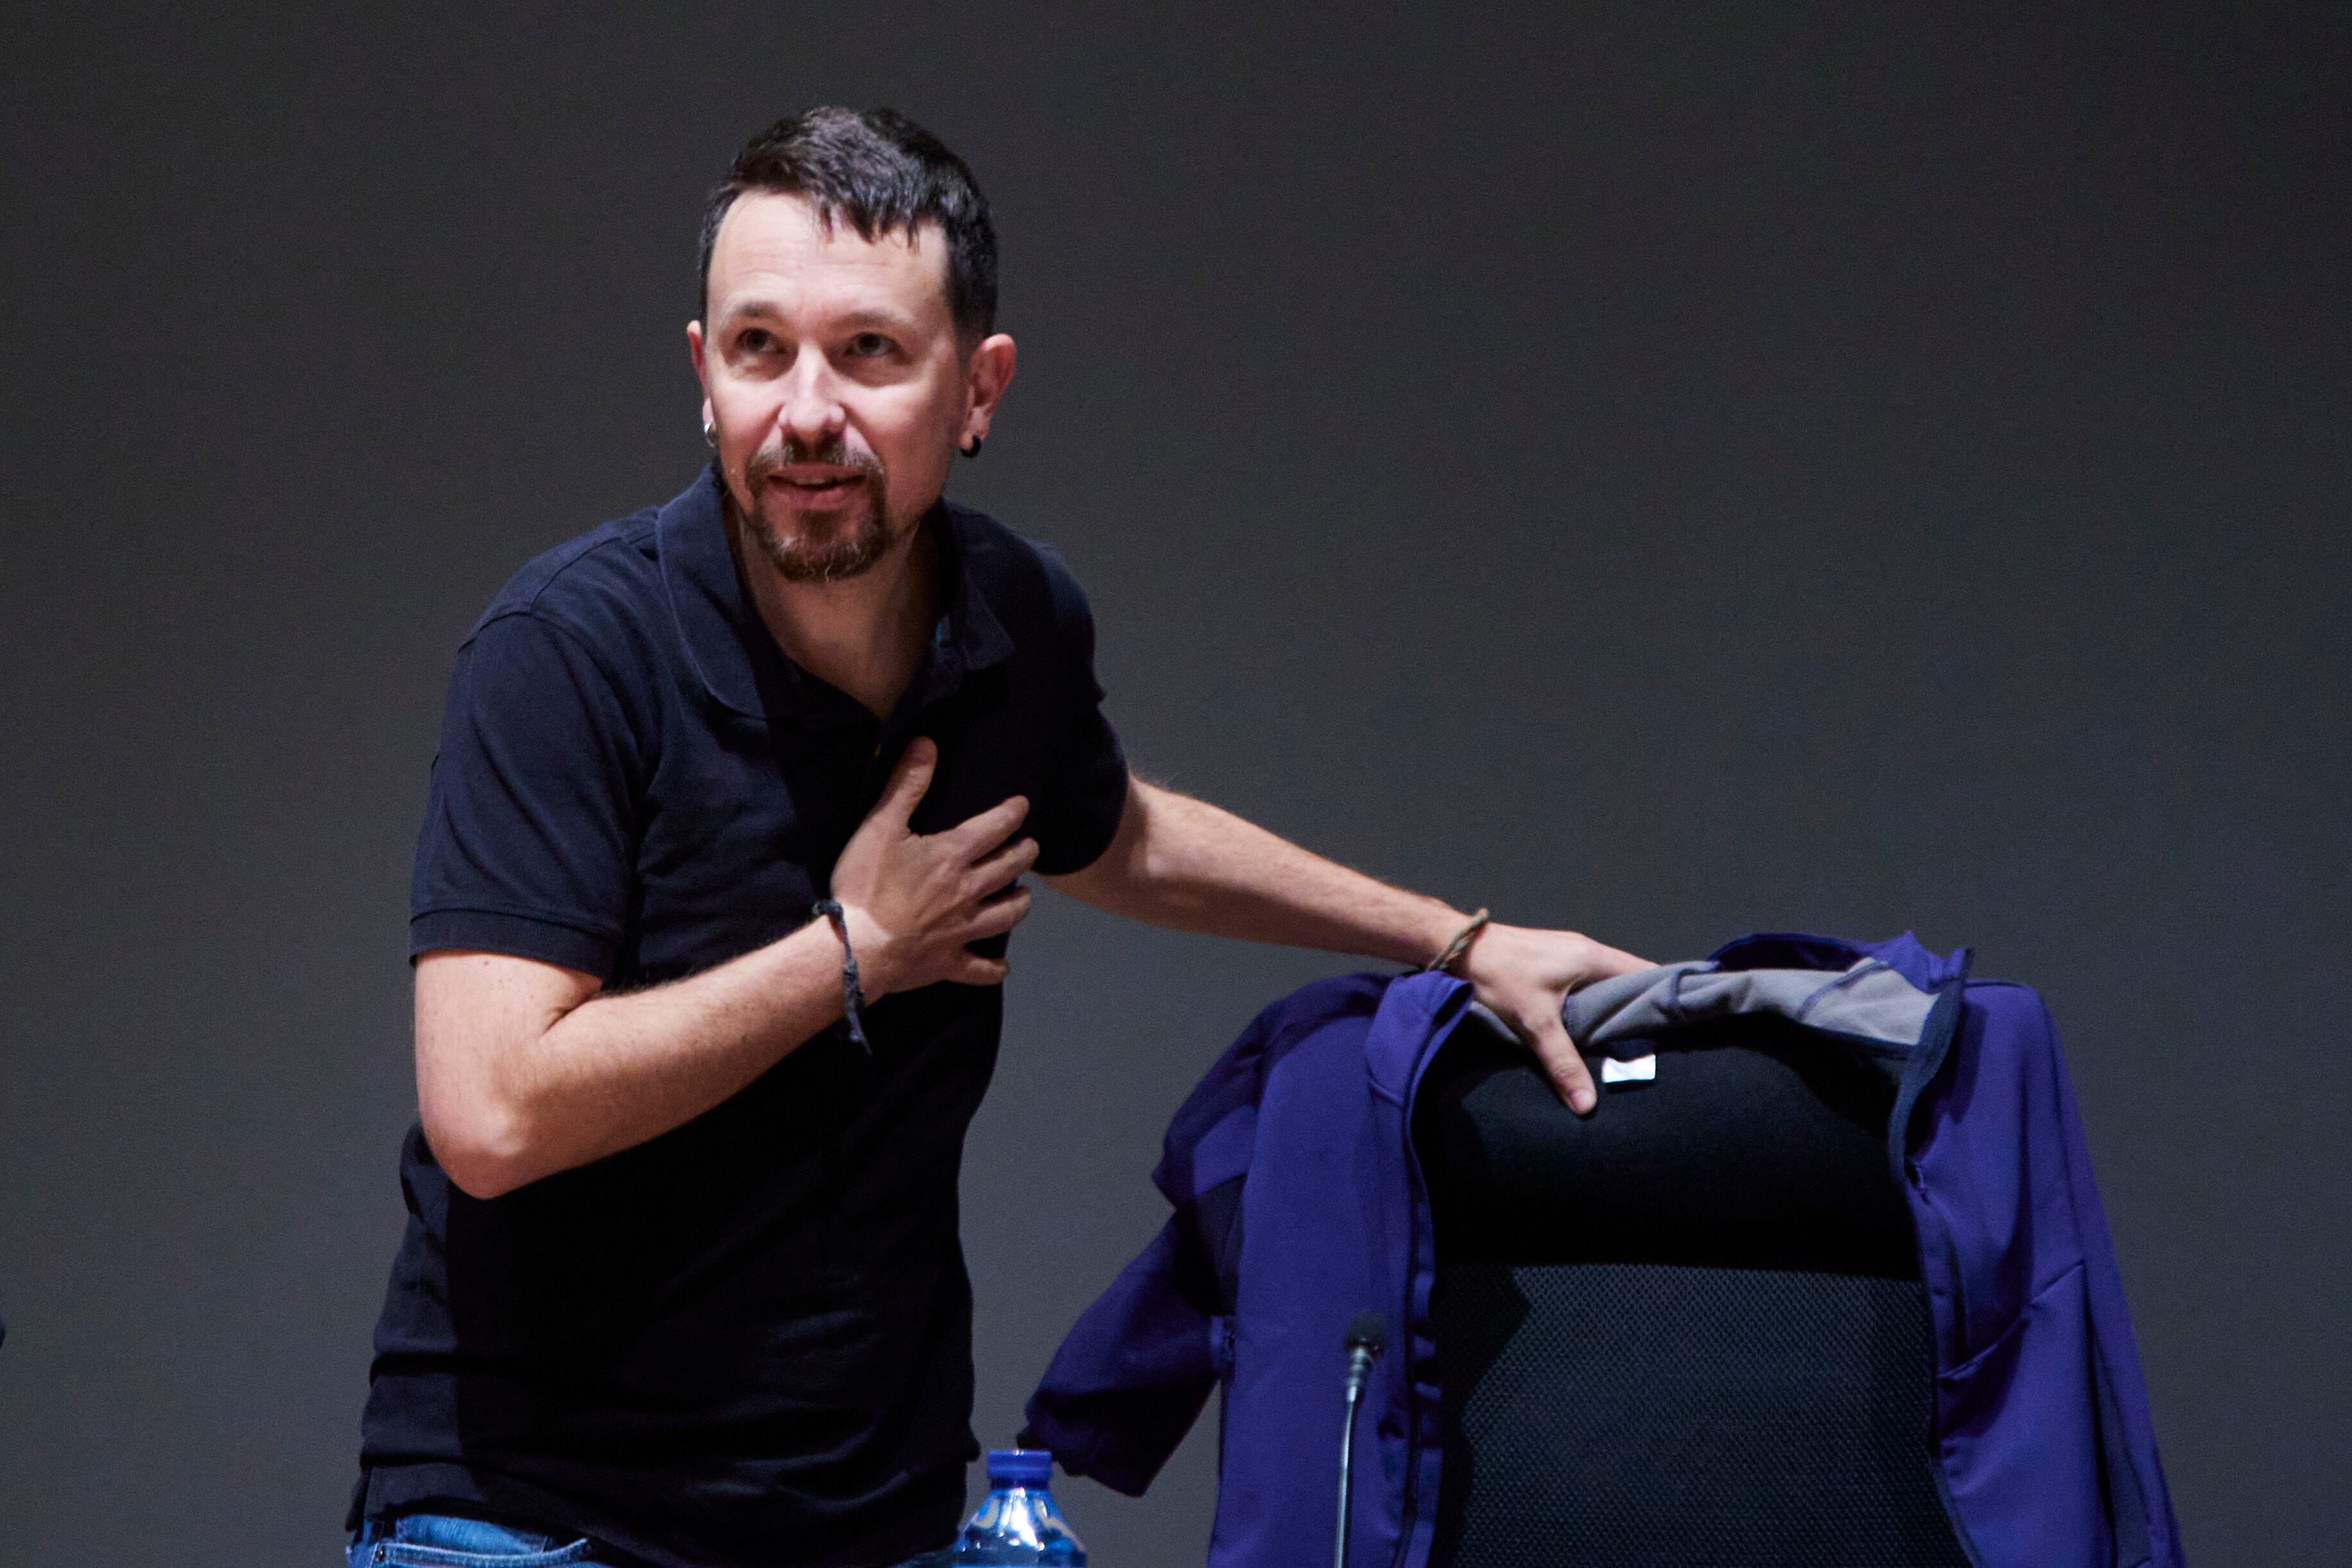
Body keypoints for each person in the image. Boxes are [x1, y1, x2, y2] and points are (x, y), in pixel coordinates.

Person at [349, 106, 1647, 1568]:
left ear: (978, 388)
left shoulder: (1012, 618)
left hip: (869, 1518)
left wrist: (1457, 941)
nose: (807, 411)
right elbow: (493, 1114)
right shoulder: (568, 650)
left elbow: (1113, 832)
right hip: (532, 1524)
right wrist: (853, 952)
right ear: (704, 376)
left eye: (869, 352)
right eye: (761, 349)